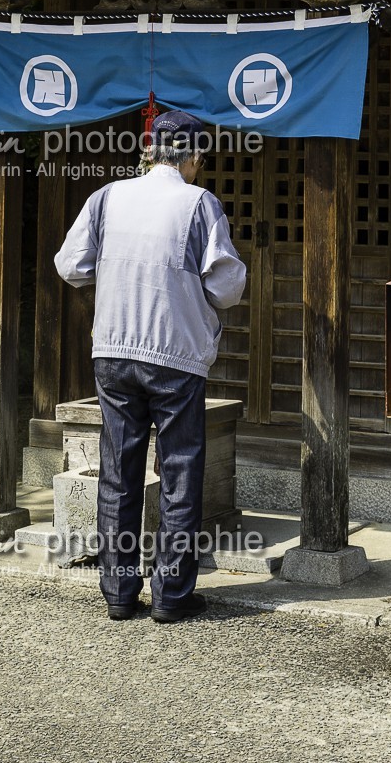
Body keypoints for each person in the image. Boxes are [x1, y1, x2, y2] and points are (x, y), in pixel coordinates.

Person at [53, 109, 247, 622]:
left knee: (119, 471)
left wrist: (116, 269)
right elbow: (226, 288)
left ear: (151, 150)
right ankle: (171, 595)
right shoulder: (199, 205)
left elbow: (71, 265)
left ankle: (119, 593)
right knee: (180, 471)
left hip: (113, 351)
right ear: (194, 157)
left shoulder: (108, 198)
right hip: (174, 354)